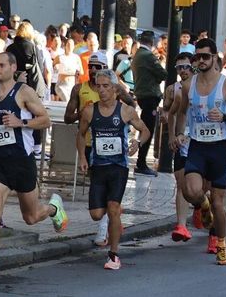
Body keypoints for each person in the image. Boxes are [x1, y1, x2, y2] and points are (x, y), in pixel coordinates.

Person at [0, 46, 68, 284]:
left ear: (13, 68)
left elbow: (45, 120)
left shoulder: (24, 92)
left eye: (2, 65)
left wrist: (20, 121)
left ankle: (54, 209)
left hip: (22, 162)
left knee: (31, 217)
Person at [164, 38, 226, 265]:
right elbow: (181, 112)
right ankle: (203, 205)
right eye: (197, 57)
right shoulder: (187, 85)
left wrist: (224, 117)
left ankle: (221, 244)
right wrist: (179, 134)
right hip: (197, 146)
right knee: (190, 190)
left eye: (205, 56)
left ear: (214, 59)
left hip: (220, 147)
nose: (200, 60)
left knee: (219, 202)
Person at [77, 66, 150, 270]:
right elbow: (80, 134)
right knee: (96, 214)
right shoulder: (90, 110)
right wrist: (82, 156)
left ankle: (114, 255)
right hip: (98, 166)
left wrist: (138, 143)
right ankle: (114, 217)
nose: (101, 90)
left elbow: (145, 130)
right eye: (98, 86)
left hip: (119, 166)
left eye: (106, 86)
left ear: (115, 89)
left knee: (113, 209)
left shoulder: (126, 111)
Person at [163, 52, 196, 241]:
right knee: (182, 184)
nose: (183, 71)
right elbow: (170, 112)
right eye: (179, 67)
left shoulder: (202, 85)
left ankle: (202, 207)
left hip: (202, 141)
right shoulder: (175, 89)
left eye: (186, 67)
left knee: (200, 188)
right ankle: (182, 226)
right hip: (183, 142)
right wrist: (172, 135)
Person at [130, 31, 166, 174]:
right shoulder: (149, 56)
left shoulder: (138, 54)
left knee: (145, 129)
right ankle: (141, 162)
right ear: (152, 41)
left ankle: (141, 161)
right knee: (148, 130)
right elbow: (163, 74)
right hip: (150, 96)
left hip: (143, 96)